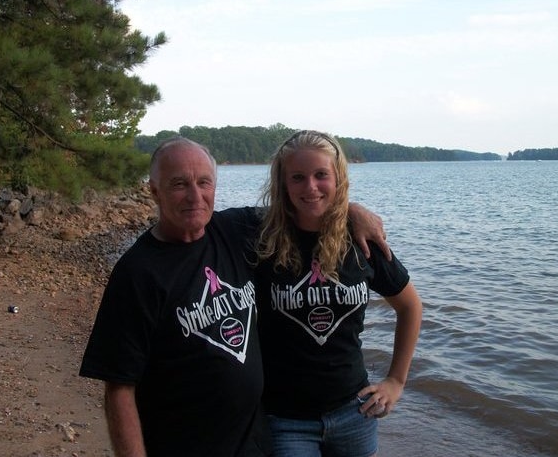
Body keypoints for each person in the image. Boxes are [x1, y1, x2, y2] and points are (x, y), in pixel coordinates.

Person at [79, 137, 389, 457]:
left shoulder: (233, 230)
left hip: (254, 441)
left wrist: (351, 211)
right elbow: (119, 388)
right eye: (179, 184)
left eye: (204, 182)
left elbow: (304, 207)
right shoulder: (138, 272)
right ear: (154, 190)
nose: (195, 196)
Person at [255, 131, 423, 456]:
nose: (311, 187)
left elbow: (411, 307)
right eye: (298, 177)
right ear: (283, 183)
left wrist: (396, 382)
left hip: (355, 411)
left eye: (321, 175)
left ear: (338, 178)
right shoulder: (262, 240)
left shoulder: (361, 242)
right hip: (286, 419)